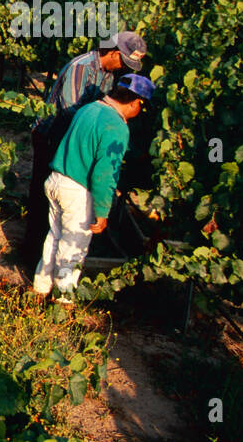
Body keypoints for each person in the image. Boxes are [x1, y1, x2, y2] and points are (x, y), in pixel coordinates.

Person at [21, 31, 148, 273]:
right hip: (53, 133)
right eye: (124, 61)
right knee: (43, 194)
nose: (124, 67)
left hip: (74, 135)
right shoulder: (81, 68)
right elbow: (72, 112)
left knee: (58, 200)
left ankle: (43, 262)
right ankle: (30, 255)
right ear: (113, 52)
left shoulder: (109, 74)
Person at [32, 74, 155, 303]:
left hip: (57, 180)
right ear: (135, 102)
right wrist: (102, 211)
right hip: (77, 191)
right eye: (143, 107)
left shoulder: (89, 108)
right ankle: (62, 302)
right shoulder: (116, 126)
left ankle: (40, 290)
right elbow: (103, 174)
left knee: (55, 237)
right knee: (73, 248)